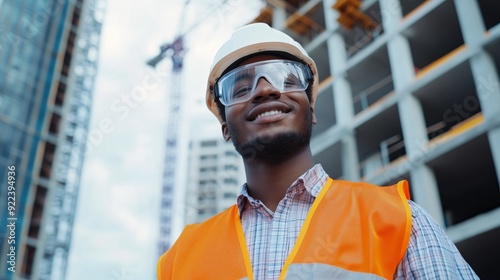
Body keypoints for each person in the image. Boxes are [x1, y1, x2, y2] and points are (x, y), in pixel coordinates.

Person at [157, 23, 478, 279]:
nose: (266, 89)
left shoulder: (399, 220)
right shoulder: (180, 259)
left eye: (286, 77)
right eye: (240, 87)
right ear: (224, 126)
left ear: (310, 108)